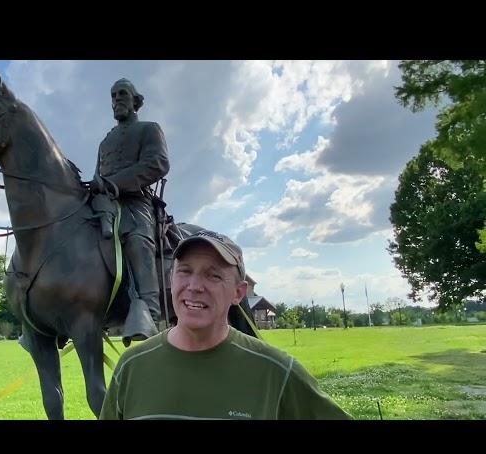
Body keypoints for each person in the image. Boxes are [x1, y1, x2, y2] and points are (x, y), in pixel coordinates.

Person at [99, 229, 351, 420]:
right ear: (171, 280)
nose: (194, 286)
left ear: (238, 293)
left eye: (213, 275)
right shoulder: (131, 367)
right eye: (185, 271)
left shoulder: (277, 372)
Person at [90, 78, 169, 346]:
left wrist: (115, 183)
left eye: (122, 94)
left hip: (135, 203)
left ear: (135, 100)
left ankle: (150, 312)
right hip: (102, 204)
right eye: (112, 95)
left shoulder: (149, 129)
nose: (116, 99)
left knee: (137, 240)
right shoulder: (105, 141)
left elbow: (157, 163)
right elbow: (97, 175)